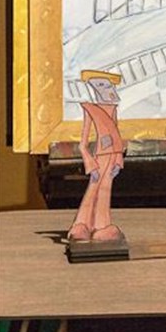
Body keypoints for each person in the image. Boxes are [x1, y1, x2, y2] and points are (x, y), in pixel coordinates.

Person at [68, 69, 126, 243]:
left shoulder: (113, 108)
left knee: (105, 190)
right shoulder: (90, 109)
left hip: (112, 155)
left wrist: (118, 159)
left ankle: (101, 225)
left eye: (107, 85)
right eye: (101, 85)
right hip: (99, 155)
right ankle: (81, 224)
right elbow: (83, 143)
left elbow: (116, 136)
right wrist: (90, 164)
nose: (107, 89)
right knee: (94, 188)